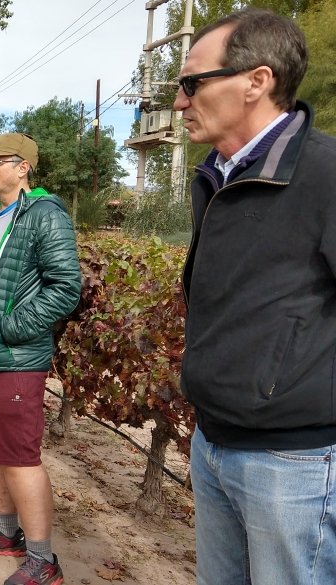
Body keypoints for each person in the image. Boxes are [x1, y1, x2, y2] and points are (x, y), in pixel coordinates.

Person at [175, 9, 336, 585]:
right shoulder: (216, 177)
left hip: (293, 463)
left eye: (193, 83)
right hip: (212, 443)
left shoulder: (325, 174)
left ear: (256, 81)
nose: (179, 101)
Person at [0, 134, 80, 585]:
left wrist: (14, 327)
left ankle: (44, 558)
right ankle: (6, 531)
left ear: (22, 167)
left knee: (21, 456)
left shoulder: (44, 214)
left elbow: (65, 286)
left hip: (14, 358)